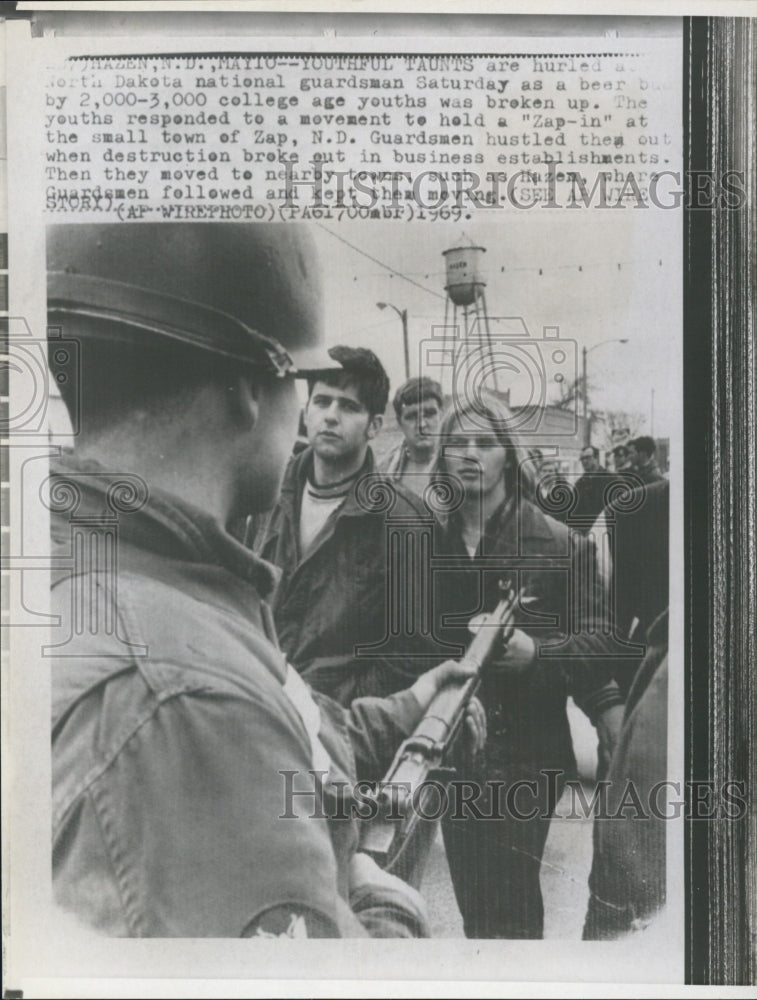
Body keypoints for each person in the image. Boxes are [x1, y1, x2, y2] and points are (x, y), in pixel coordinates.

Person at [47, 223, 485, 939]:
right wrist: (380, 909)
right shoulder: (192, 703)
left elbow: (280, 706)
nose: (316, 416)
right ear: (253, 389)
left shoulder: (135, 568)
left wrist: (403, 706)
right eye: (307, 388)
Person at [431, 392, 625, 939]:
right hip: (450, 756)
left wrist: (537, 655)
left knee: (512, 910)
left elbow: (600, 642)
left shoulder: (561, 544)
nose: (470, 454)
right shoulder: (425, 540)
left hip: (525, 760)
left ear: (508, 455)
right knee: (474, 909)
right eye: (457, 443)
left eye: (485, 443)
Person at [256, 348, 451, 703]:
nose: (330, 416)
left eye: (348, 406)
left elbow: (412, 655)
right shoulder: (263, 496)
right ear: (306, 411)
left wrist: (332, 711)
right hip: (258, 709)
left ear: (374, 425)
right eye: (322, 401)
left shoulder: (405, 522)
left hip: (338, 733)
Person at [379, 376, 443, 496]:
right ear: (399, 422)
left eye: (429, 414)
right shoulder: (384, 471)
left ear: (441, 415)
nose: (421, 425)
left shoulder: (460, 463)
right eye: (412, 416)